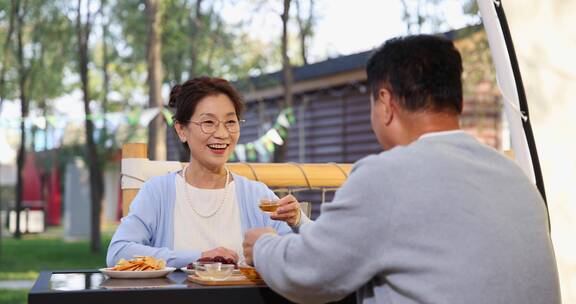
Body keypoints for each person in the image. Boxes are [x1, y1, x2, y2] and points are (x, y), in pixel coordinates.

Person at [243, 35, 561, 304]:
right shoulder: (514, 175)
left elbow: (307, 273)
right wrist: (302, 222)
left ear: (385, 102)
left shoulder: (388, 175)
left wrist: (263, 244)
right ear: (458, 102)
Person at [107, 77, 310, 268]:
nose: (222, 134)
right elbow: (118, 252)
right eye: (208, 122)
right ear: (181, 130)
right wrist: (199, 258)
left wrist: (298, 221)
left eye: (230, 122)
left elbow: (298, 258)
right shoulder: (158, 192)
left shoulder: (256, 195)